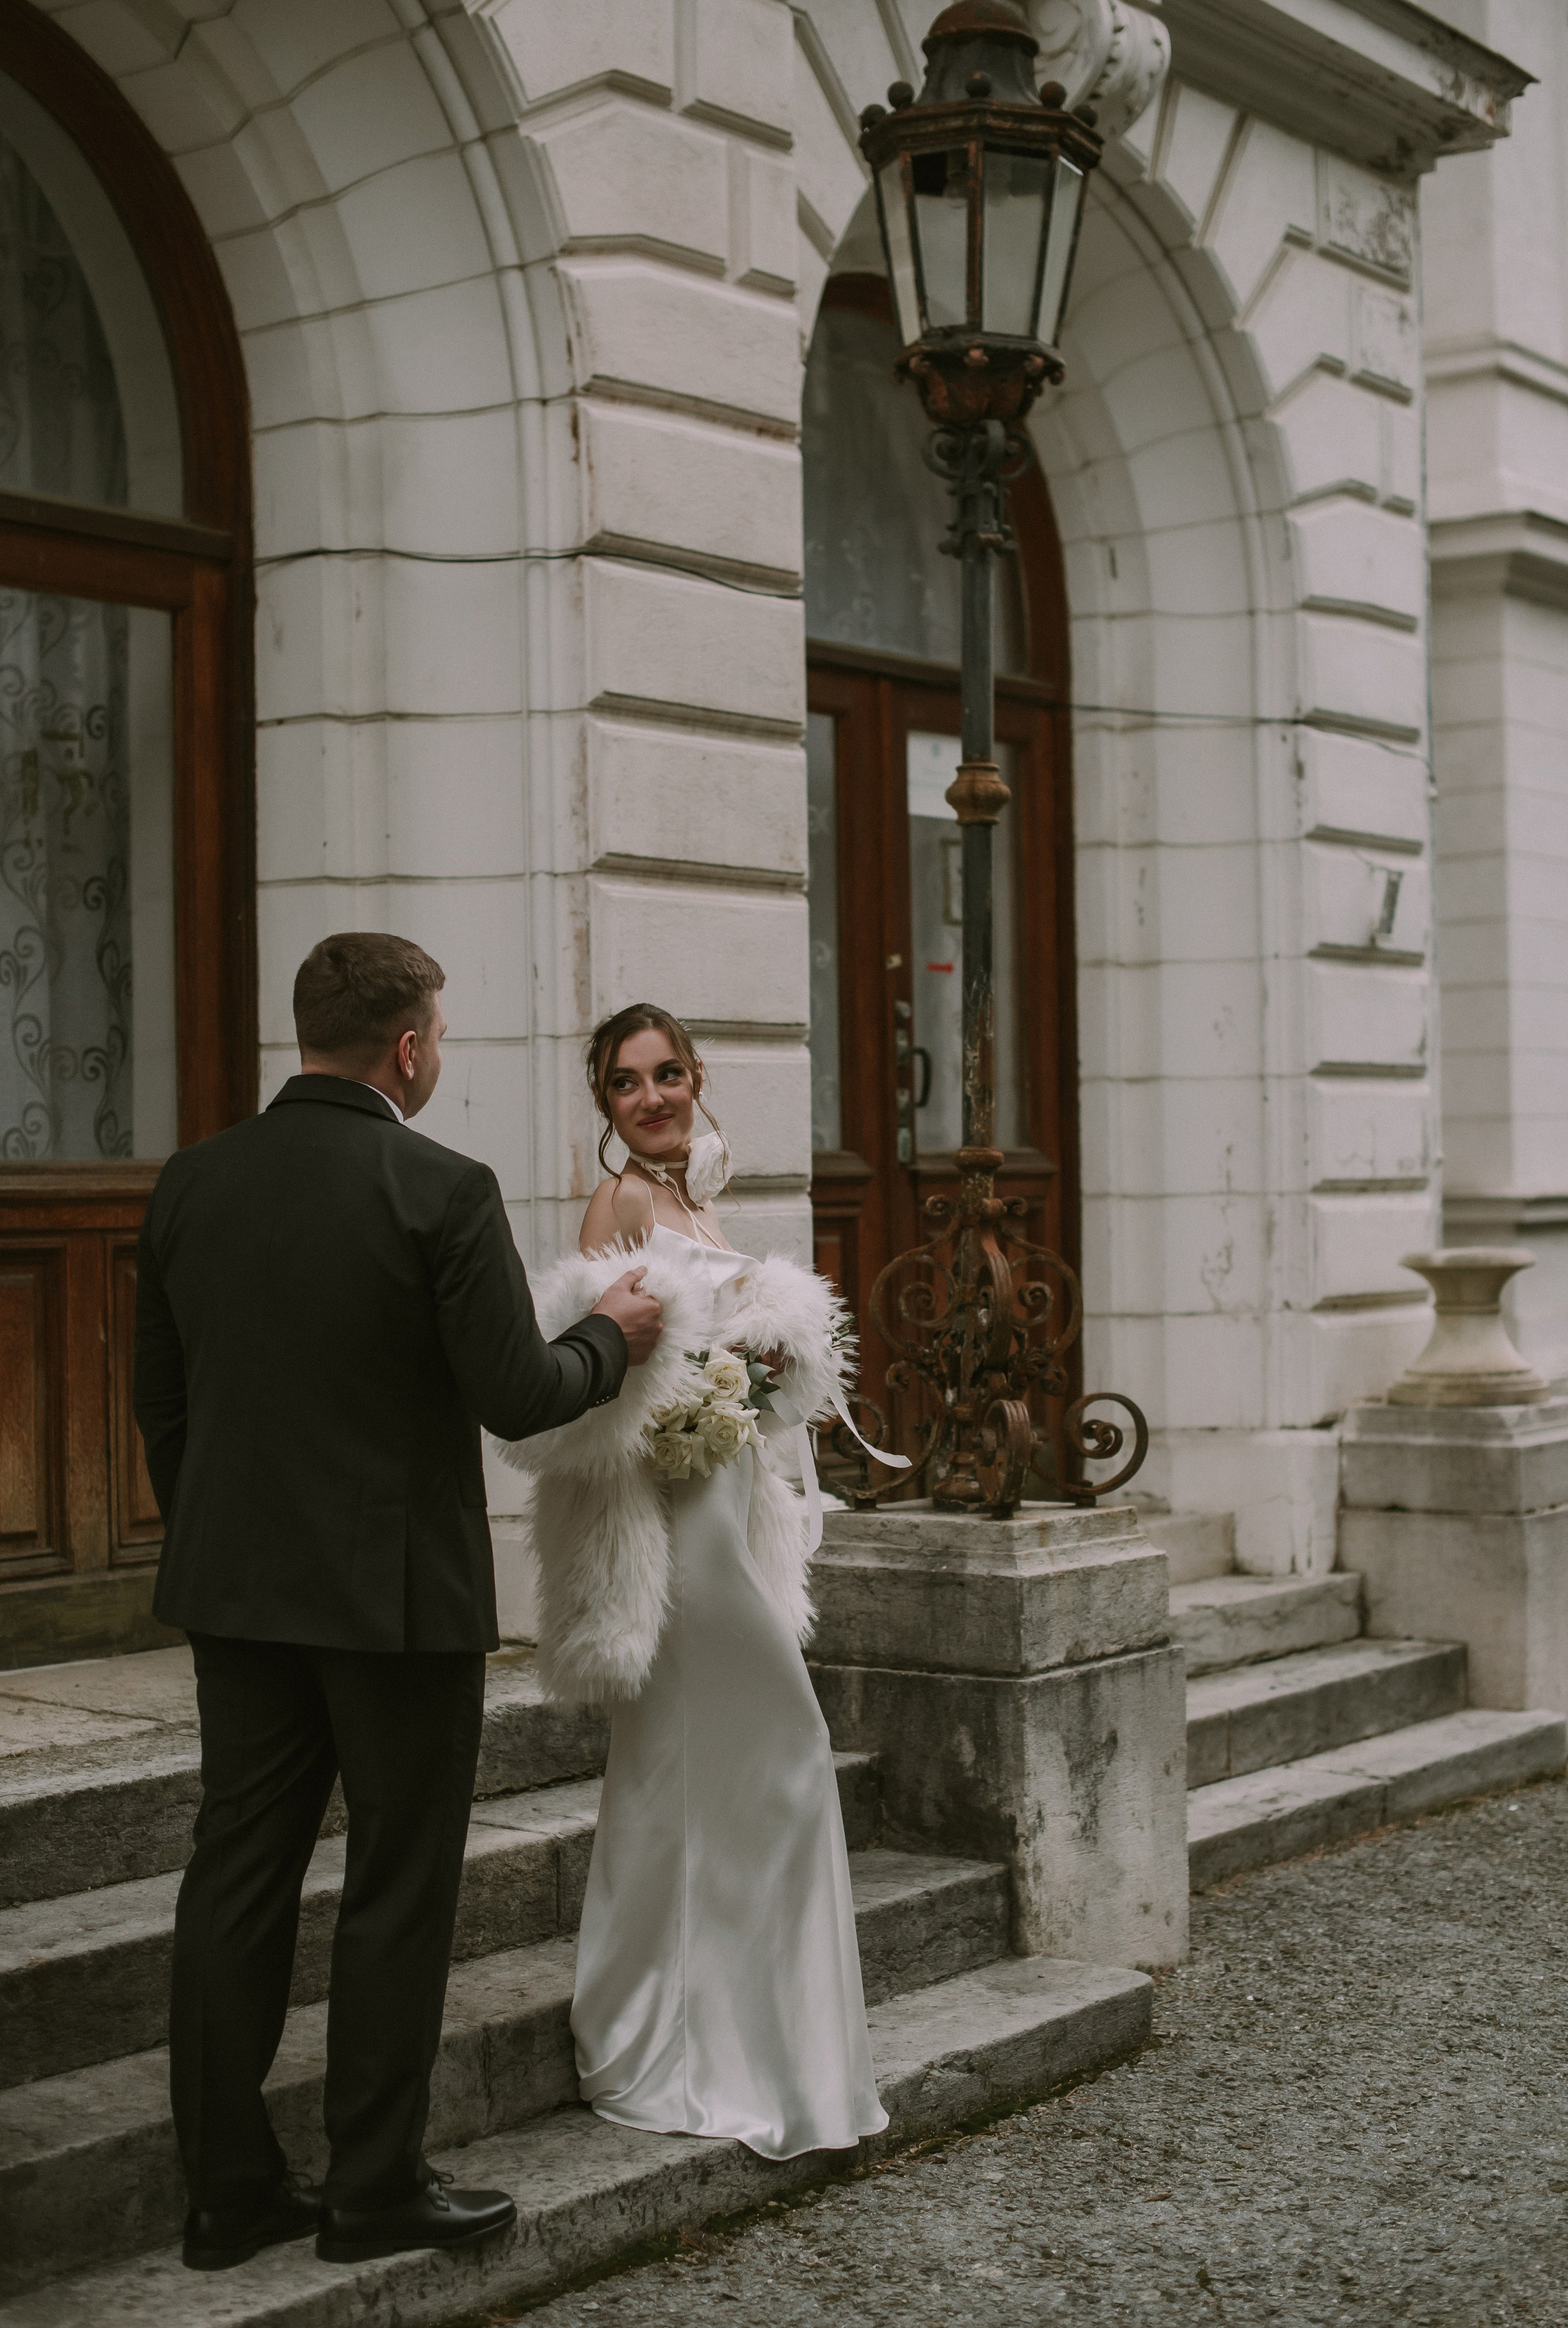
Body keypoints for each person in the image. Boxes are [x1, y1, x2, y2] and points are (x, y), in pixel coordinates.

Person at [134, 934, 662, 2273]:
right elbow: (521, 1393)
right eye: (439, 1031)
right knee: (396, 1882)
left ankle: (226, 2194)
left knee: (235, 1873)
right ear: (410, 1046)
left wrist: (219, 1534)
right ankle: (372, 2183)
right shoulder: (438, 1183)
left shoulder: (193, 1179)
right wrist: (615, 1333)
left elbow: (164, 1399)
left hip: (237, 1588)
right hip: (395, 1603)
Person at [492, 1002, 889, 2160]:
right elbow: (601, 1368)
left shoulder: (699, 1202)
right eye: (627, 1083)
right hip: (675, 1527)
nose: (653, 1097)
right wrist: (706, 1382)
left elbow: (726, 1349)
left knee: (710, 1774)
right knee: (763, 1760)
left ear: (698, 1078)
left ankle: (745, 2043)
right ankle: (655, 2031)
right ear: (606, 1105)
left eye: (668, 1075)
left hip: (728, 1504)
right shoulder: (619, 1204)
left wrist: (768, 1365)